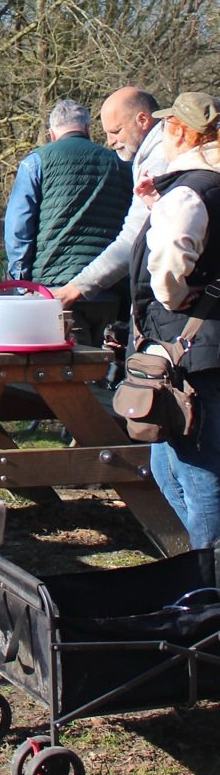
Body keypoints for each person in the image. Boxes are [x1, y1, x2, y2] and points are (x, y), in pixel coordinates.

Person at [129, 91, 220, 549]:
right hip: (202, 341)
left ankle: (208, 573)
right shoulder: (195, 188)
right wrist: (155, 207)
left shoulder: (189, 192)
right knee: (167, 466)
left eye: (167, 127)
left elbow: (169, 261)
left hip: (190, 342)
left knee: (196, 468)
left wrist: (175, 296)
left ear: (181, 132)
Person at [3, 98, 132, 345]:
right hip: (110, 288)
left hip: (55, 290)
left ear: (52, 133)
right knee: (107, 362)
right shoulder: (121, 164)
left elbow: (18, 228)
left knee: (68, 364)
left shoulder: (36, 162)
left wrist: (21, 282)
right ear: (87, 128)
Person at [52, 87, 168, 314]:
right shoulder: (148, 156)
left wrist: (75, 288)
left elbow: (133, 237)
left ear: (143, 120)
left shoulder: (159, 161)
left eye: (116, 131)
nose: (110, 142)